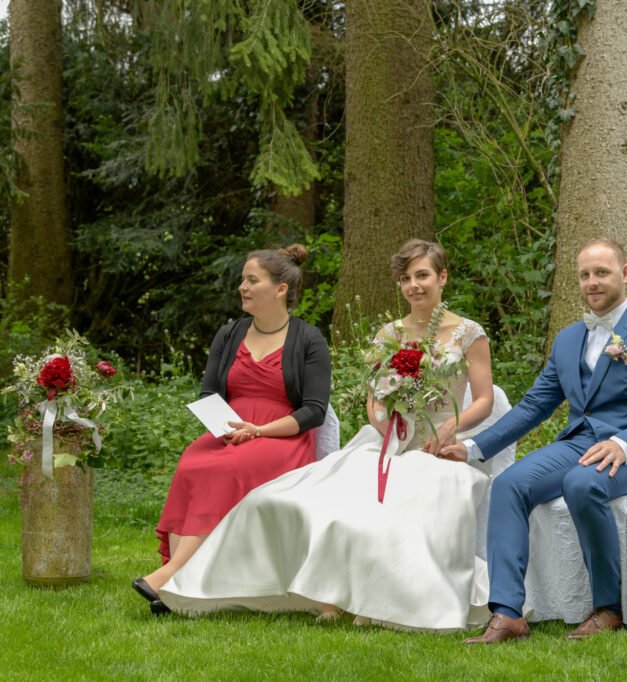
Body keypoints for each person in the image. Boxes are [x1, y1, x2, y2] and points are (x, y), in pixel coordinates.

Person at [157, 239, 496, 632]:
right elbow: (374, 399)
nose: (413, 286)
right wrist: (383, 422)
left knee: (400, 507)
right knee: (322, 502)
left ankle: (379, 598)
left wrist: (450, 427)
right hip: (387, 441)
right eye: (405, 278)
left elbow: (484, 400)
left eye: (422, 276)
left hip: (439, 448)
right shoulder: (390, 333)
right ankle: (327, 595)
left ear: (442, 277)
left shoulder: (469, 333)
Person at [440, 238, 627, 643]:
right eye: (585, 274)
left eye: (602, 272)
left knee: (581, 481)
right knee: (508, 485)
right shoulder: (568, 339)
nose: (592, 282)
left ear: (625, 274)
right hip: (578, 444)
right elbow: (535, 405)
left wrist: (623, 445)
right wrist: (473, 448)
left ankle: (608, 608)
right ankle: (507, 614)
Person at [131, 244, 331, 613]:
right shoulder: (230, 334)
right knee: (193, 462)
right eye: (243, 279)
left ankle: (173, 576)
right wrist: (225, 429)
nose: (243, 286)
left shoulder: (308, 339)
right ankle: (181, 588)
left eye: (252, 280)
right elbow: (210, 392)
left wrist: (260, 431)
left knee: (229, 468)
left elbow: (314, 411)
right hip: (228, 430)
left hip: (280, 436)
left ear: (280, 289)